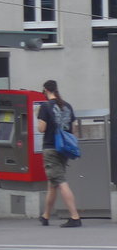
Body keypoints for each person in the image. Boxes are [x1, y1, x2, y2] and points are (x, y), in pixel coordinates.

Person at [36, 79, 82, 228]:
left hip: (50, 148)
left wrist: (42, 121)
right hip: (64, 149)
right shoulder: (67, 106)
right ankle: (46, 215)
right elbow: (73, 130)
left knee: (60, 181)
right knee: (53, 183)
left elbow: (41, 129)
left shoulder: (45, 106)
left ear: (45, 90)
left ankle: (75, 217)